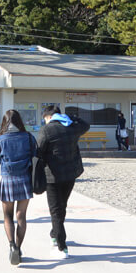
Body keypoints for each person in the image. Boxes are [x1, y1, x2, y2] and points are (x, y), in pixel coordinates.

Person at [37, 105, 89, 259]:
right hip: (70, 174)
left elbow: (38, 151)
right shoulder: (71, 127)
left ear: (47, 117)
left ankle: (61, 246)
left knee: (55, 210)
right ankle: (55, 233)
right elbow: (86, 125)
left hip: (52, 176)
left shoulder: (46, 130)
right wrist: (70, 117)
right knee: (62, 206)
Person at [0, 110, 36, 265]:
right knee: (21, 216)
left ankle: (11, 246)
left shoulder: (0, 139)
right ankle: (19, 247)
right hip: (25, 178)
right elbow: (34, 154)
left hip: (8, 178)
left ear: (4, 122)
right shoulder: (28, 137)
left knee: (7, 216)